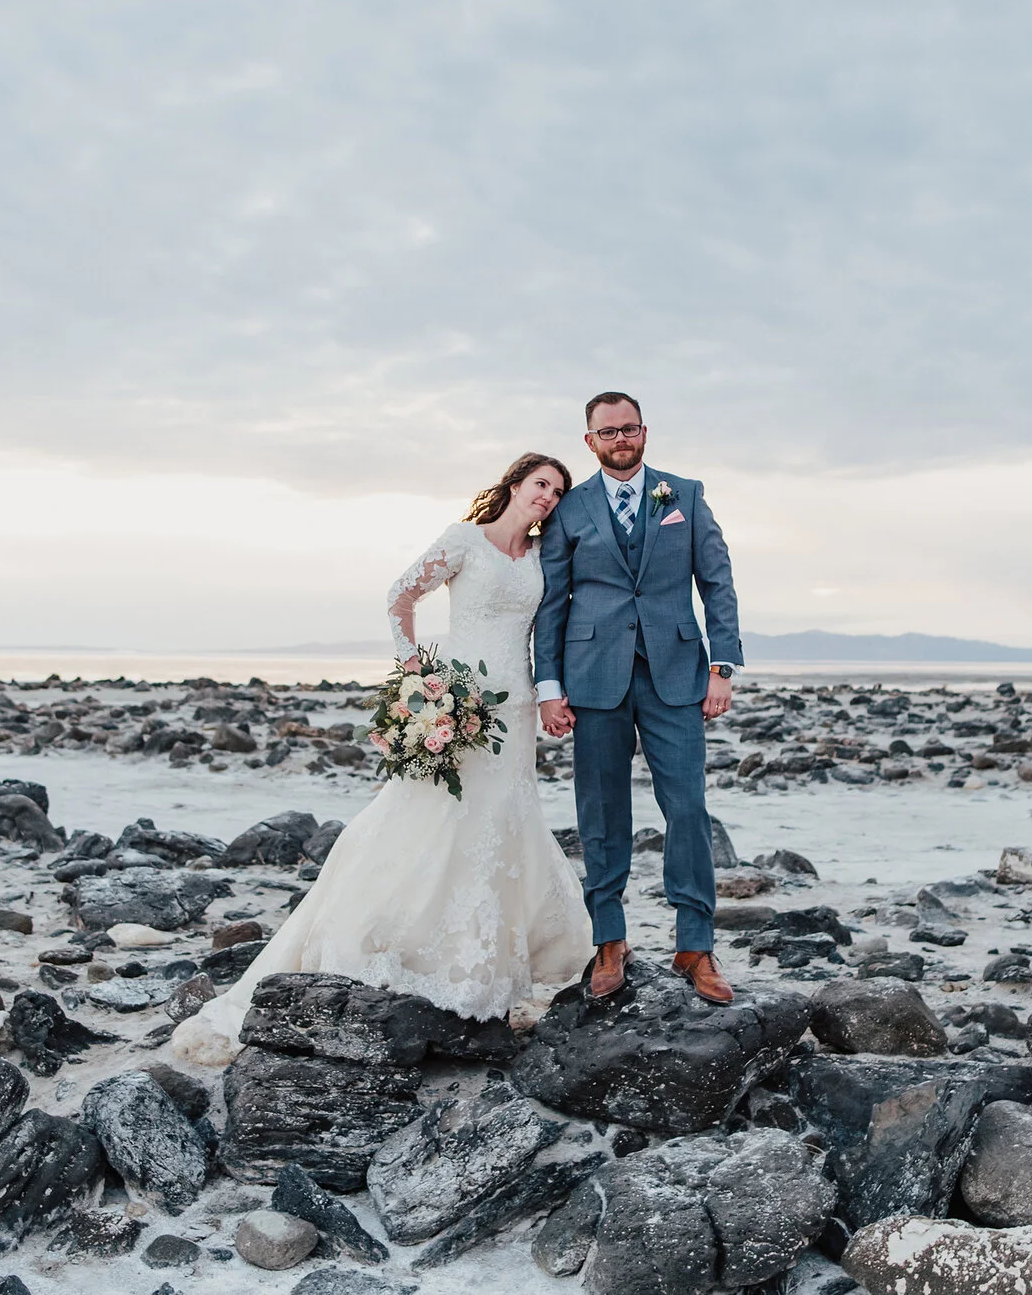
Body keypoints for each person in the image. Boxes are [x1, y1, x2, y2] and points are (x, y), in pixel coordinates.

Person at [171, 453, 593, 1064]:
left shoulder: (538, 558)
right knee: (435, 814)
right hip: (461, 693)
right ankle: (404, 946)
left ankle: (486, 965)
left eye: (557, 491)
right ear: (514, 485)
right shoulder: (463, 541)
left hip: (516, 703)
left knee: (503, 819)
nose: (548, 498)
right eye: (540, 485)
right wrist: (417, 670)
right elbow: (401, 594)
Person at [536, 392, 744, 1004]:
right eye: (608, 432)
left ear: (645, 432)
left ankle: (696, 946)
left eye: (629, 429)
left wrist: (723, 666)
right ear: (590, 441)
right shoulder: (570, 510)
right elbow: (552, 602)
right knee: (601, 814)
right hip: (593, 677)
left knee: (688, 809)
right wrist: (549, 686)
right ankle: (609, 940)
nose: (620, 439)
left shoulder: (686, 494)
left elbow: (717, 580)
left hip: (676, 672)